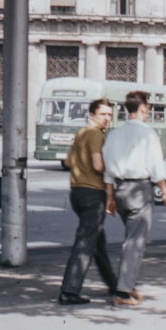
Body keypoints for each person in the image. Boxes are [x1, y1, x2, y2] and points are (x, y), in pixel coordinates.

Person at [102, 91, 166, 305]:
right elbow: (156, 167)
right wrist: (165, 190)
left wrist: (110, 197)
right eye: (148, 110)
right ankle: (122, 292)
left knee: (130, 239)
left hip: (120, 189)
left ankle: (128, 285)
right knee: (135, 242)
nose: (148, 113)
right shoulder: (148, 134)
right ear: (142, 109)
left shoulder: (113, 134)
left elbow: (107, 171)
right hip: (140, 190)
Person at [57, 98, 118, 305]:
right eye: (103, 114)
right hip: (93, 192)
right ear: (92, 114)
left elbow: (68, 161)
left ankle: (114, 285)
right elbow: (99, 166)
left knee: (96, 241)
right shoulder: (95, 135)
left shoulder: (81, 132)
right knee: (85, 242)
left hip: (77, 191)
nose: (107, 118)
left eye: (109, 114)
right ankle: (69, 291)